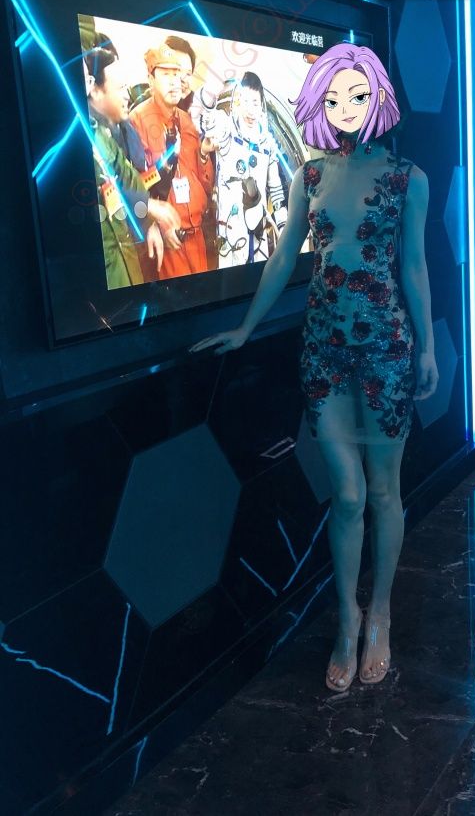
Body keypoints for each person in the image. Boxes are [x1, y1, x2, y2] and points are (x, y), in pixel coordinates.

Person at [190, 44, 438, 692]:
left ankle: (380, 613)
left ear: (377, 97)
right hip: (323, 349)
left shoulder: (409, 178)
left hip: (386, 349)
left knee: (383, 492)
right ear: (318, 103)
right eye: (333, 97)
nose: (345, 107)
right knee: (347, 494)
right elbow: (282, 257)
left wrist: (428, 349)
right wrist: (246, 326)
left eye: (356, 95)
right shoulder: (309, 174)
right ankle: (347, 618)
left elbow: (414, 265)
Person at [83, 40, 182, 288]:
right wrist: (149, 207)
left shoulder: (121, 129)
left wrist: (148, 220)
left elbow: (130, 178)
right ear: (95, 89)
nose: (127, 95)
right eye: (120, 88)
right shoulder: (89, 134)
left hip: (129, 251)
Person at [130, 42, 217, 279]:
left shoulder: (187, 120)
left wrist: (203, 154)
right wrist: (155, 224)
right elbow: (133, 185)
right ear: (150, 80)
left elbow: (204, 183)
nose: (174, 82)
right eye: (166, 75)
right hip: (168, 241)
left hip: (197, 235)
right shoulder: (137, 120)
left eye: (177, 74)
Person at [207, 72, 288, 267]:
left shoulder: (267, 142)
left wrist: (283, 226)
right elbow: (209, 125)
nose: (251, 110)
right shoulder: (226, 130)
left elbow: (275, 187)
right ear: (238, 101)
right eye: (246, 101)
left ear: (262, 104)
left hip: (258, 227)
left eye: (255, 103)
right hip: (230, 228)